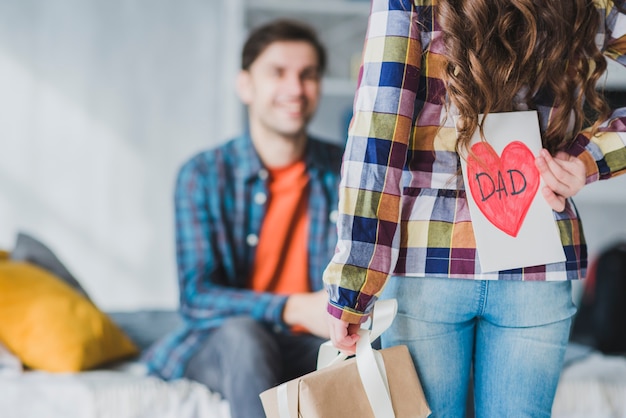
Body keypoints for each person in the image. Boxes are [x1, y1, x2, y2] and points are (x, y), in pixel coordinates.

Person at [323, 1, 626, 417]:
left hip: (428, 263)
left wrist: (352, 287)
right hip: (535, 256)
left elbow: (378, 137)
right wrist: (589, 159)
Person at [143, 19, 343, 418]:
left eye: (308, 75)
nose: (295, 89)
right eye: (277, 73)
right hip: (226, 344)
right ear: (245, 85)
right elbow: (197, 297)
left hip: (311, 344)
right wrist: (295, 308)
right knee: (245, 337)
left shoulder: (345, 171)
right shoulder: (203, 174)